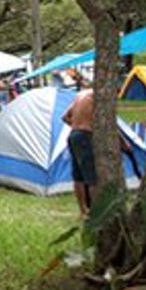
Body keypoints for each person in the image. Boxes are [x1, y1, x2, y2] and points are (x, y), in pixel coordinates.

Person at [62, 87, 96, 216]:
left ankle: (83, 210)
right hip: (86, 136)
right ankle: (95, 211)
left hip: (73, 135)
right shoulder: (97, 96)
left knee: (78, 176)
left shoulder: (80, 95)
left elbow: (65, 117)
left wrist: (77, 125)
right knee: (92, 177)